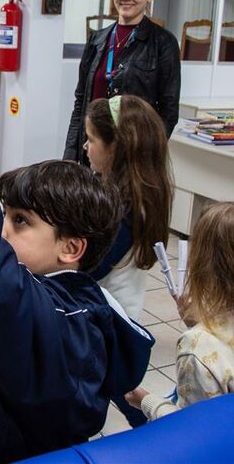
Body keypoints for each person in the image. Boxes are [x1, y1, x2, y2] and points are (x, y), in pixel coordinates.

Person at [0, 72, 154, 463]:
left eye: (20, 221)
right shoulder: (40, 300)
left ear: (71, 248)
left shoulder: (62, 316)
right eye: (5, 214)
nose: (2, 230)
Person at [125, 202, 234, 420]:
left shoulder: (195, 347)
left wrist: (145, 401)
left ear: (204, 267)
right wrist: (199, 324)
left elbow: (190, 431)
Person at [84, 94, 173, 426]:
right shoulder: (136, 193)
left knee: (115, 387)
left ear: (116, 147)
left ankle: (154, 430)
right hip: (116, 312)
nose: (85, 147)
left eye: (92, 139)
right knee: (120, 388)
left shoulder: (124, 210)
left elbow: (89, 268)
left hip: (110, 318)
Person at [64, 0, 181, 164]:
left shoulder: (163, 43)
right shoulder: (97, 40)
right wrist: (70, 156)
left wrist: (145, 157)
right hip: (92, 153)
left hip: (133, 158)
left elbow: (168, 111)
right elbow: (80, 102)